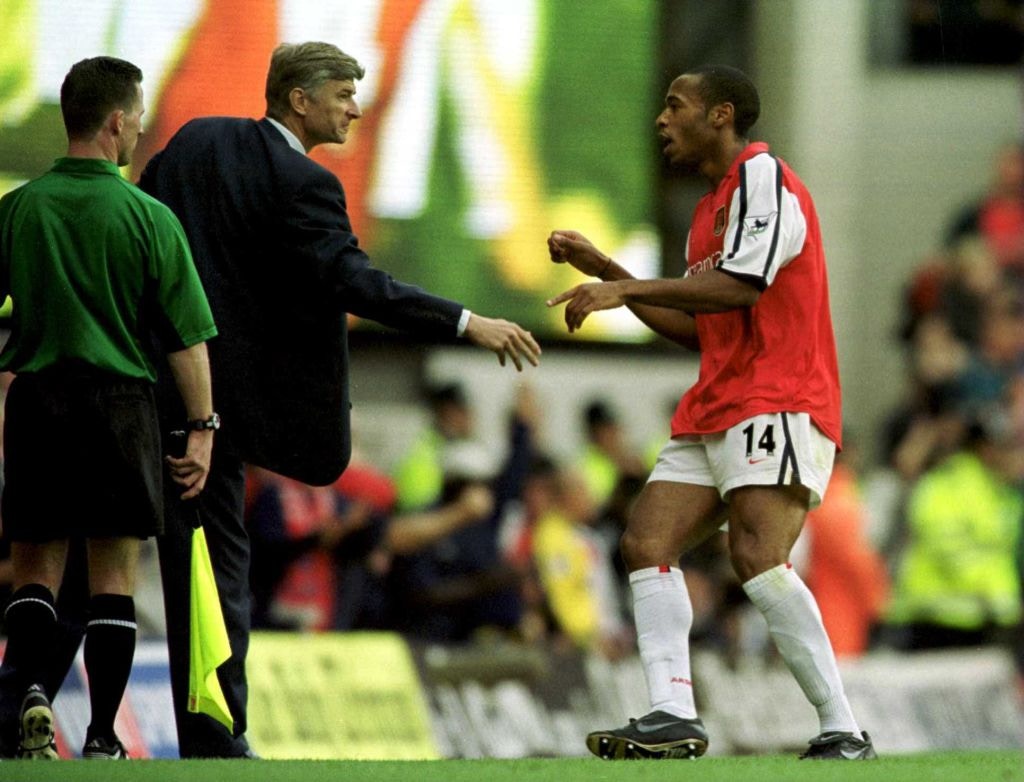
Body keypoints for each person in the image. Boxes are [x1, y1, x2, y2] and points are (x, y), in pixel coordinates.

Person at [137, 41, 541, 757]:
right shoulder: (307, 183)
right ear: (300, 99)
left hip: (150, 386)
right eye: (345, 94)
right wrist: (465, 322)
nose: (356, 108)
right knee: (218, 570)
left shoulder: (197, 141)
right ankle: (218, 737)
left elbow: (151, 229)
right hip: (218, 414)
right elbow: (357, 283)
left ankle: (72, 715)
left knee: (122, 558)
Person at [546, 65, 874, 761]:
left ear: (720, 115)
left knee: (756, 555)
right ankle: (673, 715)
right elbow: (701, 327)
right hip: (716, 403)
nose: (661, 120)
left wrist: (624, 288)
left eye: (676, 106)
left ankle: (843, 730)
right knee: (646, 542)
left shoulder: (764, 177)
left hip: (779, 396)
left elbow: (743, 287)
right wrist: (608, 272)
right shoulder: (707, 212)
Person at [0, 56, 216, 760]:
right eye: (139, 116)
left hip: (38, 400)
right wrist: (203, 428)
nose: (142, 128)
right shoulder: (149, 217)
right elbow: (187, 340)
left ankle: (29, 694)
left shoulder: (18, 209)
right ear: (116, 121)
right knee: (113, 580)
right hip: (122, 408)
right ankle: (100, 737)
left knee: (35, 569)